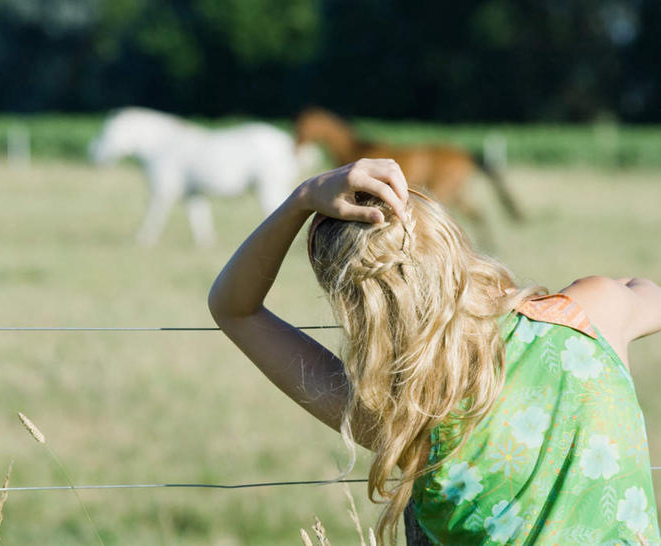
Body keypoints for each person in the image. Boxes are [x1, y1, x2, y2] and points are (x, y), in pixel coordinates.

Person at [208, 158, 661, 544]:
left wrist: (303, 198)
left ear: (359, 313)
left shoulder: (401, 419)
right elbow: (649, 294)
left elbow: (234, 309)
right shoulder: (587, 318)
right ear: (455, 244)